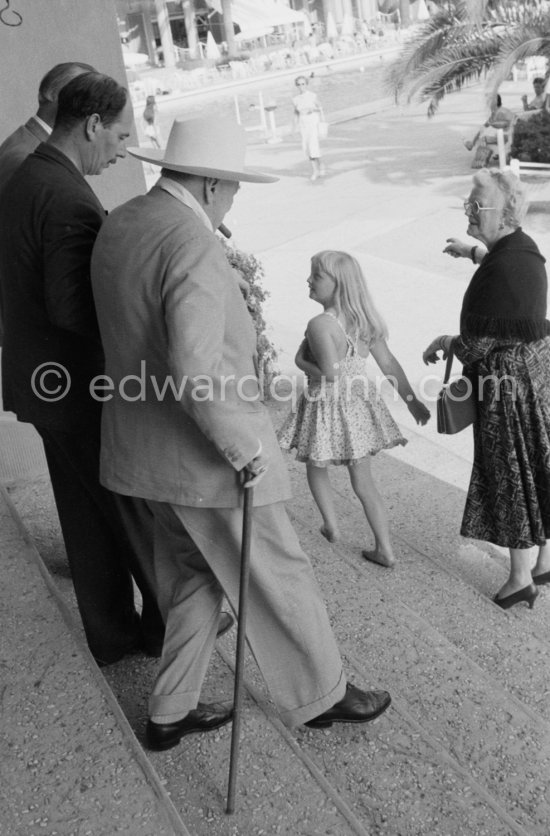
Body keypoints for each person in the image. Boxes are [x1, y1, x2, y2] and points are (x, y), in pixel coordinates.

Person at [90, 115, 392, 751]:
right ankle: (323, 694)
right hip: (208, 459)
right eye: (230, 189)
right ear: (205, 185)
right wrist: (244, 450)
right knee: (281, 571)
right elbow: (196, 371)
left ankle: (169, 710)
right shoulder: (192, 243)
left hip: (144, 452)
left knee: (194, 579)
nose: (231, 201)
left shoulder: (123, 220)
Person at [0, 71, 166, 665]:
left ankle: (114, 636)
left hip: (39, 382)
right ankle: (175, 631)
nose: (122, 151)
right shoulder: (67, 194)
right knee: (130, 508)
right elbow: (74, 308)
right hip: (72, 386)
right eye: (119, 137)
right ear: (92, 124)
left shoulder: (28, 170)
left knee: (85, 517)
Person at [424, 168, 550, 610]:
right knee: (537, 464)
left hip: (505, 390)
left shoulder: (506, 266)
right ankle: (543, 561)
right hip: (535, 378)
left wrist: (443, 342)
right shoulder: (524, 251)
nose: (469, 212)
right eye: (468, 204)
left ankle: (519, 578)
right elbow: (504, 271)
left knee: (509, 473)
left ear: (505, 212)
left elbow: (476, 344)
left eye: (476, 207)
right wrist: (474, 251)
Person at [278, 250, 430, 566]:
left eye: (316, 276)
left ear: (338, 284)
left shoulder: (320, 323)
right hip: (358, 405)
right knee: (364, 481)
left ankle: (331, 524)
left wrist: (301, 362)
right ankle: (385, 548)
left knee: (316, 464)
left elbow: (330, 374)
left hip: (326, 405)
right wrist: (413, 403)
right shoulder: (363, 320)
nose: (308, 279)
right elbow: (388, 363)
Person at [0, 61, 95, 188]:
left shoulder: (32, 145)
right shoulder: (27, 157)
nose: (89, 106)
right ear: (50, 93)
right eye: (80, 95)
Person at [463, 95, 515, 166]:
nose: (488, 104)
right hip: (504, 135)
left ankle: (480, 162)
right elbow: (485, 126)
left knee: (483, 138)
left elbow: (506, 124)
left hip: (507, 136)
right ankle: (472, 145)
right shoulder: (497, 111)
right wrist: (474, 140)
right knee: (483, 133)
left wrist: (493, 124)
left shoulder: (501, 112)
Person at [292, 75, 324, 181]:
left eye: (303, 84)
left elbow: (320, 108)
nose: (301, 86)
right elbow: (296, 113)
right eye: (299, 84)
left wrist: (312, 109)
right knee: (307, 147)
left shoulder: (312, 95)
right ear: (296, 86)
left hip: (312, 121)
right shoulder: (295, 99)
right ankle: (317, 168)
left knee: (313, 145)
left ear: (306, 84)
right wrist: (294, 126)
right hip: (303, 123)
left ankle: (317, 170)